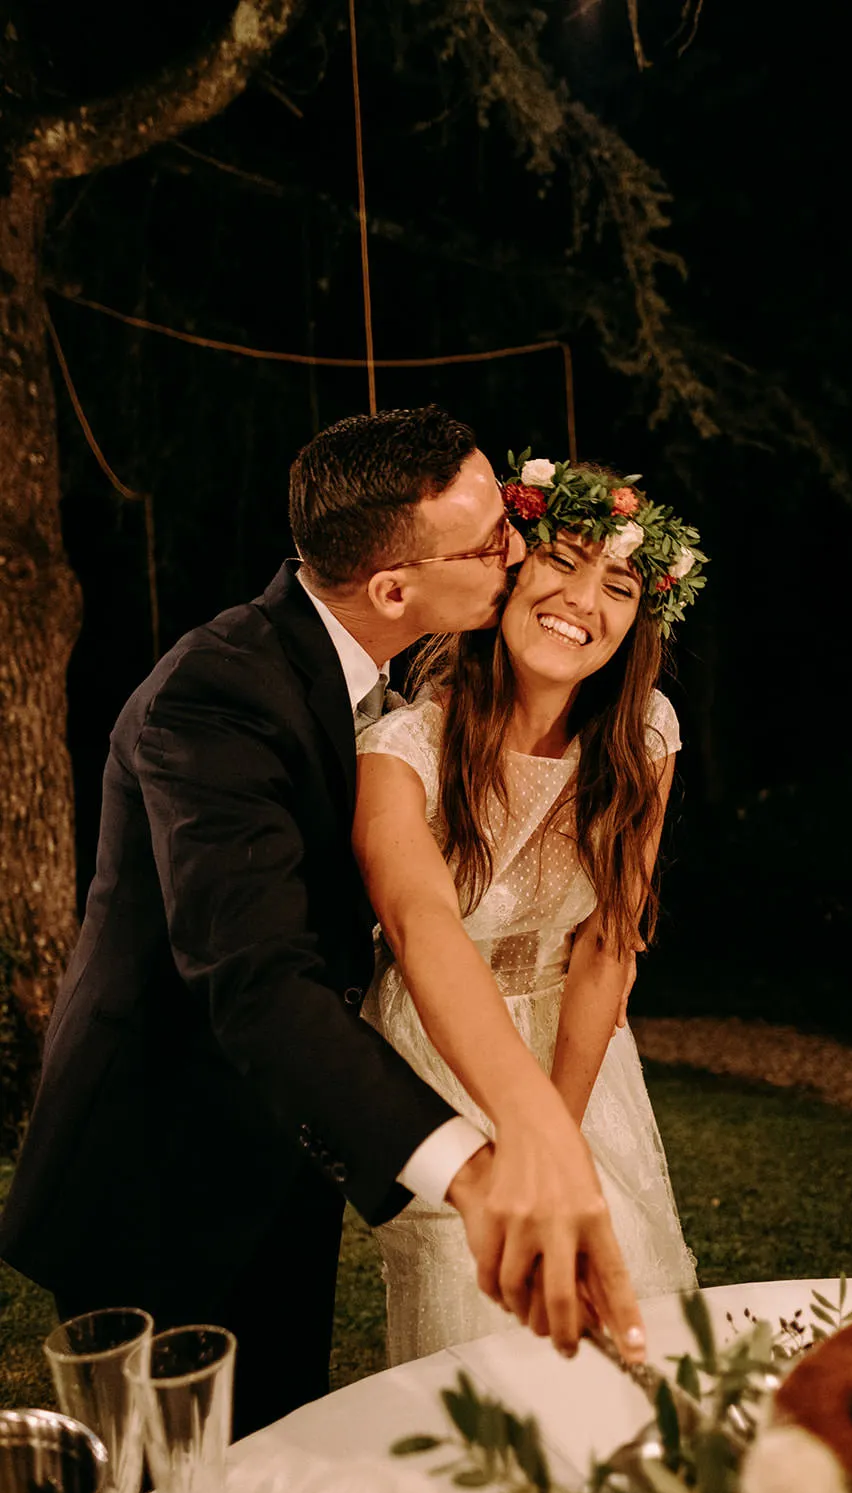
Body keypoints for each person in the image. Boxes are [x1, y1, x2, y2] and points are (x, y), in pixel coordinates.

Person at [0, 410, 647, 1439]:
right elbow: (257, 979)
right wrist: (476, 1174)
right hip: (156, 1173)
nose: (518, 554)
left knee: (276, 1452)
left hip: (288, 1150)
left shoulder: (393, 675)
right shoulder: (210, 699)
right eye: (490, 545)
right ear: (393, 586)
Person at [354, 451, 706, 1362]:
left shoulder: (645, 738)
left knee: (627, 1303)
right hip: (440, 1058)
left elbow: (607, 943)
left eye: (619, 583)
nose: (584, 601)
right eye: (562, 560)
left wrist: (560, 1127)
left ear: (640, 622)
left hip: (581, 1050)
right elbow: (416, 924)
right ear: (509, 572)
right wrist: (515, 1143)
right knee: (484, 1335)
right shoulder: (400, 750)